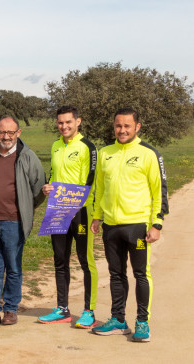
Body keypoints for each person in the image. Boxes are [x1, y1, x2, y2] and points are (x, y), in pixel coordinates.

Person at [90, 108, 167, 342]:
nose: (122, 130)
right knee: (116, 274)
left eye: (127, 126)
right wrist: (97, 216)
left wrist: (157, 223)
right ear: (113, 126)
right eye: (118, 126)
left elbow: (159, 191)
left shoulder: (149, 153)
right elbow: (100, 189)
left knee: (141, 274)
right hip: (111, 226)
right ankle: (118, 320)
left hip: (138, 226)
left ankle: (142, 322)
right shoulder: (105, 153)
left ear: (137, 127)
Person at [0, 116, 46, 328]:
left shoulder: (28, 157)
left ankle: (11, 309)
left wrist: (24, 208)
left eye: (10, 133)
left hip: (14, 222)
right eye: (2, 132)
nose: (6, 137)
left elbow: (38, 189)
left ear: (18, 133)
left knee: (13, 267)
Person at [38, 106, 99, 328]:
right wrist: (48, 187)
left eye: (68, 122)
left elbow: (91, 182)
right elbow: (54, 175)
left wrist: (80, 205)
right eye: (60, 123)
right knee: (60, 260)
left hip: (80, 212)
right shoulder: (55, 146)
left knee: (85, 260)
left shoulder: (88, 147)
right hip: (57, 210)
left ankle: (88, 311)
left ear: (78, 122)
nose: (64, 126)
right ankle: (62, 309)